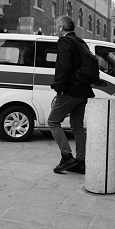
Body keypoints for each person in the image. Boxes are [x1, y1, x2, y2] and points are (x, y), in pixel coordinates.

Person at [48, 15, 94, 175]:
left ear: (61, 27)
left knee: (53, 121)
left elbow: (65, 67)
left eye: (56, 26)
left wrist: (59, 87)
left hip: (71, 90)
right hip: (83, 90)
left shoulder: (65, 41)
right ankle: (81, 162)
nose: (56, 29)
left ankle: (67, 157)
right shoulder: (81, 42)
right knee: (77, 127)